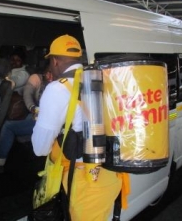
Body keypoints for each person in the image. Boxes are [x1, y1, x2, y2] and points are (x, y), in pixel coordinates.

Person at [31, 35, 122, 220]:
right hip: (109, 174)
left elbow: (40, 148)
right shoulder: (101, 79)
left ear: (55, 61)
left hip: (82, 181)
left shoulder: (57, 89)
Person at [0, 65, 53, 174]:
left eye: (52, 73)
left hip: (50, 121)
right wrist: (32, 108)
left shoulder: (61, 84)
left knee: (8, 126)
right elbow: (27, 93)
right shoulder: (37, 78)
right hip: (37, 115)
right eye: (48, 72)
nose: (49, 75)